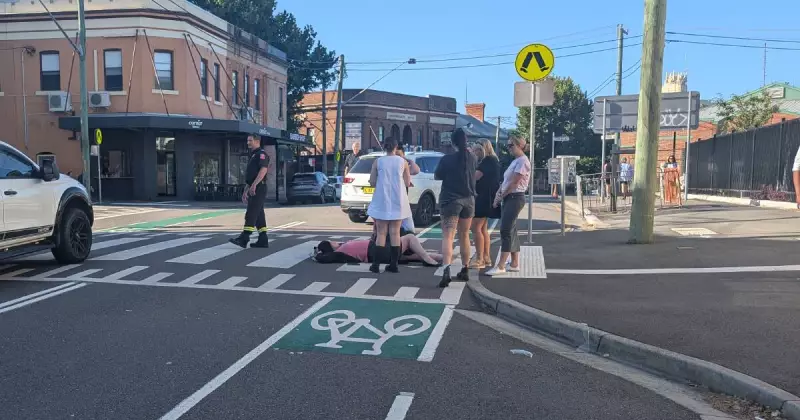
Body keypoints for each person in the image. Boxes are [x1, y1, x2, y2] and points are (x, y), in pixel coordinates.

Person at [434, 128, 477, 287]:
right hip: (469, 200)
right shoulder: (472, 158)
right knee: (464, 235)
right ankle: (465, 269)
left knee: (448, 237)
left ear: (453, 143)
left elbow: (437, 175)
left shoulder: (447, 159)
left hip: (450, 200)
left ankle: (446, 270)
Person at [485, 136, 531, 277]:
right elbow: (506, 182)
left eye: (511, 145)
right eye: (508, 145)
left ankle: (501, 265)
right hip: (510, 197)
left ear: (520, 145)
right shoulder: (516, 161)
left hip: (515, 197)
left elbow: (514, 183)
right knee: (511, 230)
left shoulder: (523, 161)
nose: (509, 148)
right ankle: (514, 263)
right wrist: (499, 195)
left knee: (505, 230)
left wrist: (500, 196)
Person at [366, 136, 412, 273]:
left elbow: (372, 182)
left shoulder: (378, 162)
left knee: (381, 233)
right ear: (396, 147)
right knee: (395, 232)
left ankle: (376, 265)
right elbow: (407, 182)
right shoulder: (402, 162)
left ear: (384, 147)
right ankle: (394, 264)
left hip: (382, 200)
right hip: (398, 200)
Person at [229, 135, 270, 248]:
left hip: (259, 187)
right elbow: (251, 175)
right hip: (255, 186)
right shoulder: (253, 155)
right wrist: (245, 190)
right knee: (259, 214)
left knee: (251, 213)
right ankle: (263, 239)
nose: (248, 143)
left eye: (250, 140)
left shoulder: (261, 154)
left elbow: (263, 170)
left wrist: (254, 185)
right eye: (247, 140)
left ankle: (244, 238)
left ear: (257, 141)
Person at [470, 138, 501, 269]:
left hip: (483, 198)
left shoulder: (487, 161)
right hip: (488, 197)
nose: (475, 153)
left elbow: (474, 177)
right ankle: (486, 257)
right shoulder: (493, 160)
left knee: (475, 228)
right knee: (483, 229)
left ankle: (480, 259)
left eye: (476, 150)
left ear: (482, 149)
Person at [312, 236, 441, 266]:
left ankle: (442, 258)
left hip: (378, 252)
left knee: (415, 255)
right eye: (331, 242)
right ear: (330, 247)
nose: (334, 241)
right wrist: (318, 253)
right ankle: (428, 259)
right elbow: (324, 258)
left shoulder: (343, 248)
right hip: (378, 251)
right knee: (410, 238)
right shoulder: (340, 251)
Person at [395, 145, 420, 232]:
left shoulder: (405, 165)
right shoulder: (391, 166)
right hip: (394, 201)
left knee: (409, 229)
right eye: (396, 155)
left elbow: (416, 170)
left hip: (403, 201)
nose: (398, 158)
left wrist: (407, 160)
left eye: (399, 155)